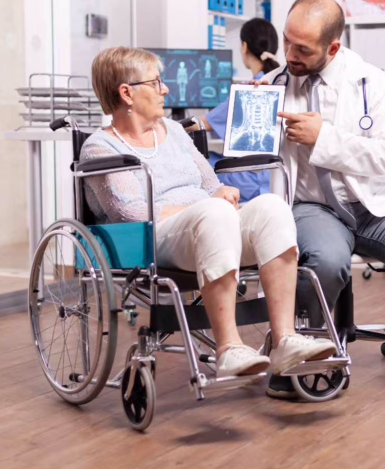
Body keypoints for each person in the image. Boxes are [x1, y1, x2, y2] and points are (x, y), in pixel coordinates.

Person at [82, 46, 336, 380]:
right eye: (156, 82)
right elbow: (131, 212)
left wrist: (217, 194)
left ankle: (285, 338)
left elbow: (209, 182)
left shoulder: (172, 131)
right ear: (127, 93)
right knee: (214, 214)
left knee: (272, 207)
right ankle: (228, 348)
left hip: (208, 225)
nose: (165, 89)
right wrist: (206, 204)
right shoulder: (100, 148)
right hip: (154, 238)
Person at [262, 0, 385, 404]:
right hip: (313, 206)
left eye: (303, 49)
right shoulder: (273, 85)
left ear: (332, 47)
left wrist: (324, 140)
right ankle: (304, 358)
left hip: (373, 205)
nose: (290, 55)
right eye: (287, 42)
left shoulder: (373, 83)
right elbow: (251, 159)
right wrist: (251, 120)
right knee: (326, 261)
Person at [187, 18, 280, 202]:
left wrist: (168, 127)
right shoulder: (282, 83)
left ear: (244, 46)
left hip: (248, 183)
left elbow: (201, 124)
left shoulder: (250, 89)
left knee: (196, 160)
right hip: (275, 180)